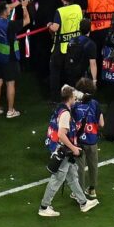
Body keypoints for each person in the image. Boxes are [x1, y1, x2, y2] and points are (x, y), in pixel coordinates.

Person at [39, 89, 95, 219]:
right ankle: (44, 207)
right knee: (57, 179)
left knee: (72, 176)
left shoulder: (60, 108)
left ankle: (83, 202)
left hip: (60, 149)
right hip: (63, 150)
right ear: (70, 98)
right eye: (74, 97)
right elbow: (61, 135)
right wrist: (73, 148)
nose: (76, 99)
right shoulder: (65, 114)